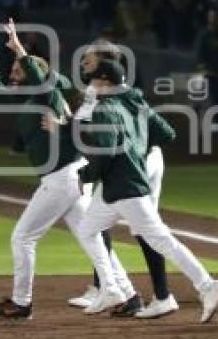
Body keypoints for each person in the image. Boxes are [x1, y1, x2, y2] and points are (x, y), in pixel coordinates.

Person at [0, 23, 135, 319]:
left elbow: (36, 75)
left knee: (22, 237)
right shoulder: (31, 98)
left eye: (17, 72)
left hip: (62, 177)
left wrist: (19, 49)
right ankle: (124, 292)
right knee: (91, 235)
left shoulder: (45, 93)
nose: (13, 76)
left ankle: (22, 302)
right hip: (69, 176)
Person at [72, 58, 218, 323]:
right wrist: (137, 148)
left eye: (95, 80)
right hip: (117, 187)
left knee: (160, 239)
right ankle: (110, 288)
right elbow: (167, 134)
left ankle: (207, 285)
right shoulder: (136, 104)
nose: (91, 85)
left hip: (126, 187)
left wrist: (85, 175)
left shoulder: (105, 108)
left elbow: (105, 151)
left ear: (105, 81)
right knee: (87, 229)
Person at [66, 41, 180, 319]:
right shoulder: (112, 90)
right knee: (103, 221)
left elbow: (159, 132)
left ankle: (164, 293)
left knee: (141, 228)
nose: (83, 65)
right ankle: (108, 287)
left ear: (105, 66)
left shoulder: (116, 92)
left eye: (89, 61)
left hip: (137, 162)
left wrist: (130, 153)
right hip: (136, 160)